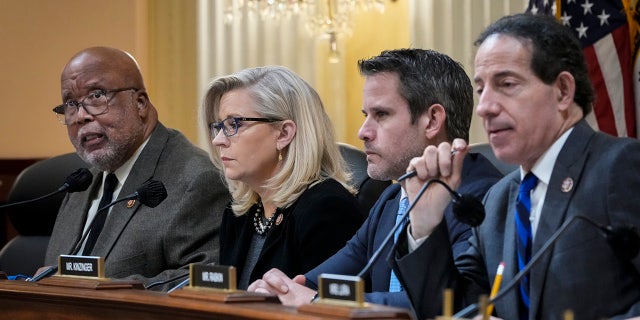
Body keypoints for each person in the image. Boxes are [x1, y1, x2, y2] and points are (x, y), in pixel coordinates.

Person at [394, 13, 640, 320]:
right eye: (481, 89)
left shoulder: (622, 167)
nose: (484, 107)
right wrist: (425, 224)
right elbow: (454, 310)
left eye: (506, 84)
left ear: (563, 91)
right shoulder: (498, 200)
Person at [247, 49, 503, 313]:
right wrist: (278, 290)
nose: (363, 132)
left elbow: (453, 305)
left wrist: (316, 300)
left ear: (432, 120)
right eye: (365, 115)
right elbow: (316, 282)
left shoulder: (485, 200)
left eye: (381, 114)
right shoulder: (391, 200)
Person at [43, 47, 230, 290]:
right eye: (70, 103)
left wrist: (101, 290)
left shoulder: (196, 179)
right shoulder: (81, 184)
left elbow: (202, 283)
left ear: (140, 103)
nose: (80, 116)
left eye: (97, 96)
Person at [201, 66, 366, 290]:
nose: (218, 140)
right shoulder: (239, 212)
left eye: (234, 124)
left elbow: (330, 309)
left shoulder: (328, 210)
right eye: (219, 126)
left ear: (284, 134)